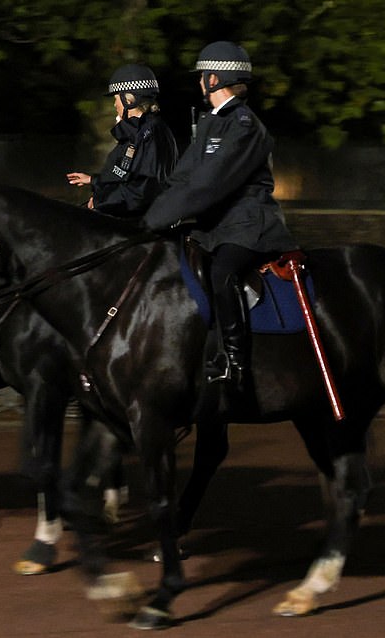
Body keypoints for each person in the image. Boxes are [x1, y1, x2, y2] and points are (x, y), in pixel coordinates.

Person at [142, 41, 298, 391]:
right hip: (215, 226)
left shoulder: (244, 125)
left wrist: (155, 220)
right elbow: (182, 179)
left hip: (248, 225)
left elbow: (210, 183)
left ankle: (235, 361)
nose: (200, 82)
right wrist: (150, 211)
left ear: (215, 78)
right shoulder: (211, 123)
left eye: (202, 76)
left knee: (222, 271)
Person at [66, 64, 178, 217]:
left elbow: (142, 191)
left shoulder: (152, 133)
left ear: (128, 100)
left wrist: (100, 201)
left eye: (116, 99)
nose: (114, 104)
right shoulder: (136, 132)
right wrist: (94, 180)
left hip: (140, 226)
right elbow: (123, 177)